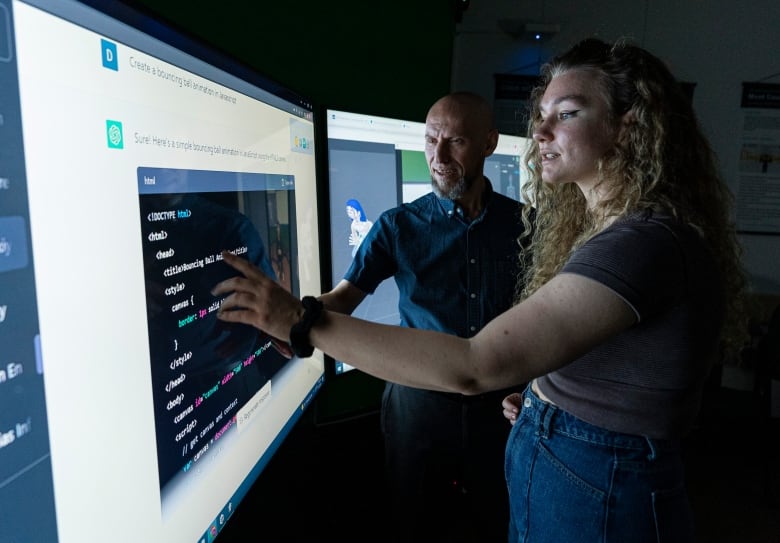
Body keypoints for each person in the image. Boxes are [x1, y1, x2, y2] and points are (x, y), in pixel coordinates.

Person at [211, 38, 748, 543]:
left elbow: (477, 363)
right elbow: (594, 354)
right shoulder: (402, 226)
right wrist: (544, 396)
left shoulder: (626, 240)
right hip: (458, 425)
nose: (540, 133)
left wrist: (301, 323)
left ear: (630, 127)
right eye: (542, 117)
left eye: (567, 114)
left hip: (584, 485)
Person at [322, 92, 530, 542]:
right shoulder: (397, 227)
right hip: (416, 414)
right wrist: (291, 315)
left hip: (501, 415)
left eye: (454, 141)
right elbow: (339, 303)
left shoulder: (526, 228)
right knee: (413, 525)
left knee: (498, 523)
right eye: (430, 139)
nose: (437, 156)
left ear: (489, 143)